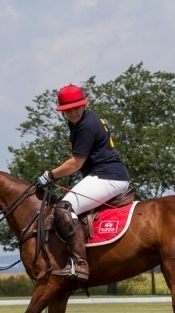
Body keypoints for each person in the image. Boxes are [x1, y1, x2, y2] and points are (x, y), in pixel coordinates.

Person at [35, 84, 130, 281]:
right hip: (106, 175)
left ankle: (79, 264)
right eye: (68, 109)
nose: (73, 112)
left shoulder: (86, 126)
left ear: (84, 105)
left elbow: (76, 163)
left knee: (64, 208)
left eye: (76, 107)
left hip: (106, 177)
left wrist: (50, 175)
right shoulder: (83, 121)